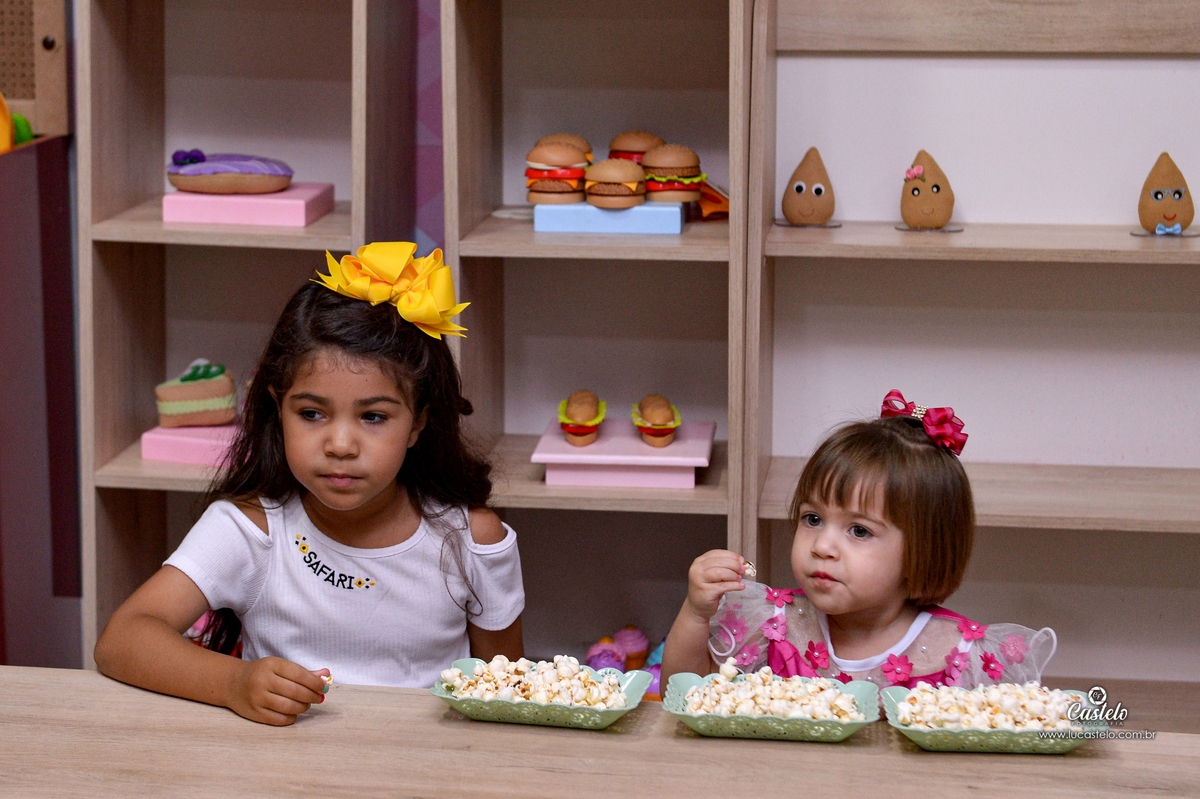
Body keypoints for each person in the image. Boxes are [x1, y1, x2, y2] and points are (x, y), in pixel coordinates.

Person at [95, 243, 524, 725]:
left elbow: (505, 694)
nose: (340, 445)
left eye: (374, 416)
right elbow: (122, 639)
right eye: (312, 413)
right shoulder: (250, 531)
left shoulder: (471, 539)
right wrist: (234, 683)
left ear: (418, 424)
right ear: (278, 409)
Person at [661, 390, 1055, 690]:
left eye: (860, 530)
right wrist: (695, 614)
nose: (822, 546)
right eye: (813, 519)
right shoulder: (770, 626)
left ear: (925, 551)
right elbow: (684, 695)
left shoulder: (963, 657)